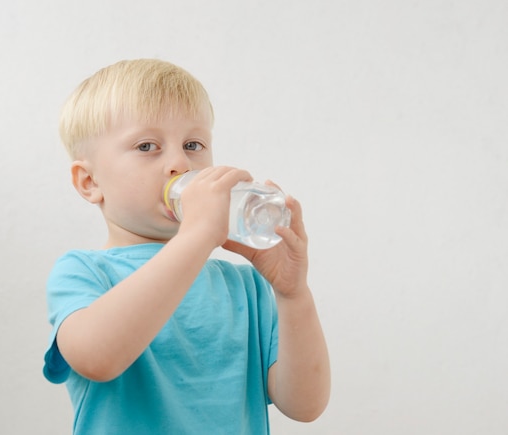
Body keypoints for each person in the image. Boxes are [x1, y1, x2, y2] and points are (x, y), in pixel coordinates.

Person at [43, 59, 330, 434]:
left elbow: (305, 406)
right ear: (89, 182)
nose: (180, 162)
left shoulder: (245, 287)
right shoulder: (84, 273)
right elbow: (98, 358)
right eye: (147, 146)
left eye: (193, 144)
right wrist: (196, 237)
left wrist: (293, 295)